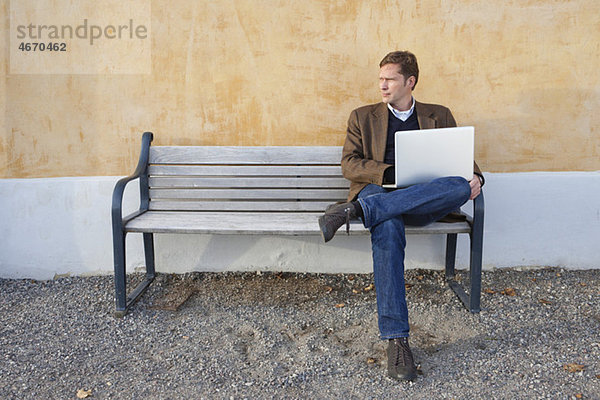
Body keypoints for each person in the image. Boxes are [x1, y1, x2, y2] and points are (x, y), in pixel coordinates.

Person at [318, 51, 484, 381]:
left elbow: (462, 159)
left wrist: (476, 178)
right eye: (381, 78)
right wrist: (389, 172)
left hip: (423, 202)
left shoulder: (440, 114)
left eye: (390, 78)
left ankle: (356, 212)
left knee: (460, 186)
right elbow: (349, 165)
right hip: (379, 192)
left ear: (410, 82)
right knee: (389, 227)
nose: (383, 84)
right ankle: (397, 340)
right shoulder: (362, 117)